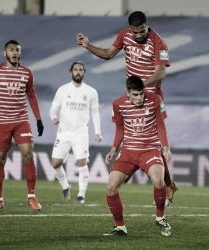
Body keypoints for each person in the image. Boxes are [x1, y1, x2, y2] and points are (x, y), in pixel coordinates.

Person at [77, 10, 177, 207]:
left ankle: (167, 185)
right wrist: (88, 46)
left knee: (152, 140)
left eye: (142, 31)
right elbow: (107, 54)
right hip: (133, 96)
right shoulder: (125, 35)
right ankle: (168, 184)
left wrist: (139, 87)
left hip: (150, 97)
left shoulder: (160, 43)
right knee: (136, 137)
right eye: (135, 32)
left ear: (148, 25)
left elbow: (160, 74)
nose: (138, 35)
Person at [0, 40, 44, 212]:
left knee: (28, 154)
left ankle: (31, 197)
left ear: (20, 53)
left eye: (17, 50)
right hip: (1, 122)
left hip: (21, 121)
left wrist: (38, 119)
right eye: (11, 50)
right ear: (5, 53)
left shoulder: (27, 73)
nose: (14, 53)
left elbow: (32, 95)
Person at [104, 76, 172, 236]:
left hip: (150, 149)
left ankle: (160, 217)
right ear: (126, 92)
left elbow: (161, 125)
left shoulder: (155, 100)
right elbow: (120, 129)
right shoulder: (118, 104)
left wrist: (166, 148)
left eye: (141, 93)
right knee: (111, 187)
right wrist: (114, 149)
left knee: (158, 180)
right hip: (128, 151)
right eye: (135, 94)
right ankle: (120, 227)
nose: (140, 98)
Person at [50, 61, 102, 203]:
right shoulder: (63, 90)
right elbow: (53, 108)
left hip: (81, 133)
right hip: (63, 133)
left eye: (80, 70)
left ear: (84, 72)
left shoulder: (91, 92)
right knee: (55, 163)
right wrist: (53, 117)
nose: (78, 72)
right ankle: (66, 187)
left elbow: (95, 113)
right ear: (70, 72)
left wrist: (97, 132)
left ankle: (81, 195)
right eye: (75, 70)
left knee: (81, 162)